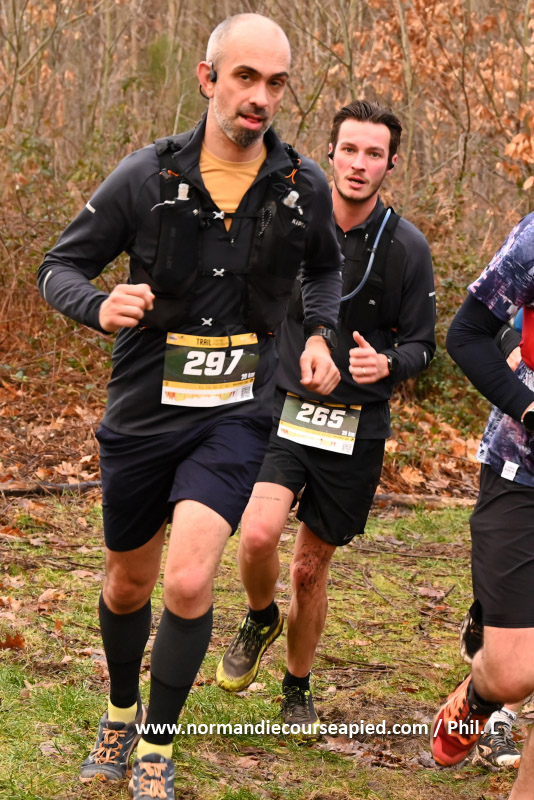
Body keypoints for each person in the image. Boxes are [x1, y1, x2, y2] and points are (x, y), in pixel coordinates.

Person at [37, 13, 343, 799]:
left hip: (236, 412)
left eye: (275, 83)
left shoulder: (303, 185)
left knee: (188, 580)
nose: (260, 97)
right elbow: (59, 266)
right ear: (208, 78)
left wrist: (319, 333)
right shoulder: (146, 176)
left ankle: (157, 747)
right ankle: (119, 711)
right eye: (245, 78)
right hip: (144, 408)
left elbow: (324, 271)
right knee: (128, 584)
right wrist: (99, 306)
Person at [215, 100, 436, 735]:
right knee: (257, 535)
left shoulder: (406, 247)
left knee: (309, 570)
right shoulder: (289, 224)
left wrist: (387, 363)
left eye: (375, 154)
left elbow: (424, 345)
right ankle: (260, 616)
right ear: (331, 153)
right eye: (350, 150)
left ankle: (297, 686)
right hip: (283, 407)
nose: (360, 164)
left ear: (391, 164)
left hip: (355, 427)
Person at [431, 216, 534, 800]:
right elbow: (467, 334)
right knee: (512, 674)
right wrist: (528, 407)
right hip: (523, 471)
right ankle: (481, 691)